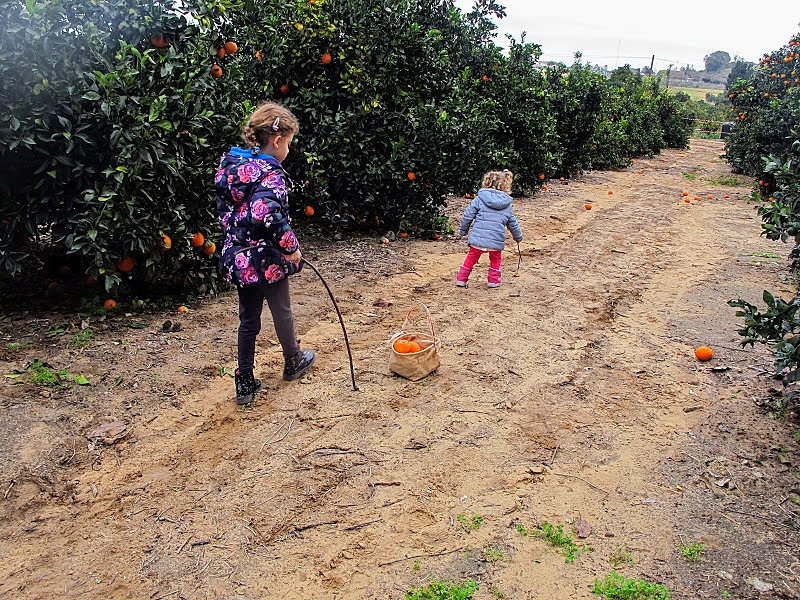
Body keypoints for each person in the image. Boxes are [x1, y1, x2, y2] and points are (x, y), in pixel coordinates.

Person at [215, 101, 315, 405]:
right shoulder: (271, 173)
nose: (289, 150)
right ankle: (293, 359)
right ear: (277, 140)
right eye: (290, 142)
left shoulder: (236, 169)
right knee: (281, 310)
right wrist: (291, 248)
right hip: (268, 258)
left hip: (240, 258)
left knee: (248, 320)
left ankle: (244, 380)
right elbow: (267, 214)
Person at [456, 169, 523, 288]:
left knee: (471, 257)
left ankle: (461, 279)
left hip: (479, 238)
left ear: (486, 182)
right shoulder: (506, 204)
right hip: (495, 239)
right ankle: (493, 280)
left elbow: (468, 215)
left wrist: (463, 231)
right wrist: (518, 237)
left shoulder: (479, 199)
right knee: (496, 258)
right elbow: (512, 223)